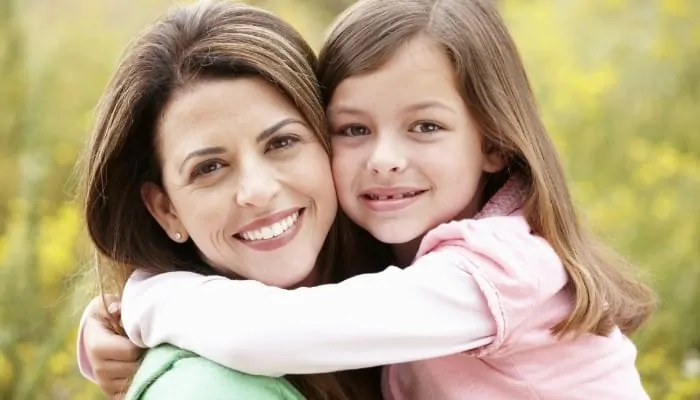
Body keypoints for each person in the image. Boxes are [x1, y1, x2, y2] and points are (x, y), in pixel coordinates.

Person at [81, 0, 657, 399]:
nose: (383, 158)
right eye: (353, 130)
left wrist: (146, 301)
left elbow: (277, 334)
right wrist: (102, 328)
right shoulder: (398, 248)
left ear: (496, 143)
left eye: (426, 127)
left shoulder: (501, 267)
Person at [75, 1, 385, 398]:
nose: (257, 190)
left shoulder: (416, 260)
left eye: (282, 142)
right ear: (166, 210)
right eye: (208, 168)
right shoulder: (200, 390)